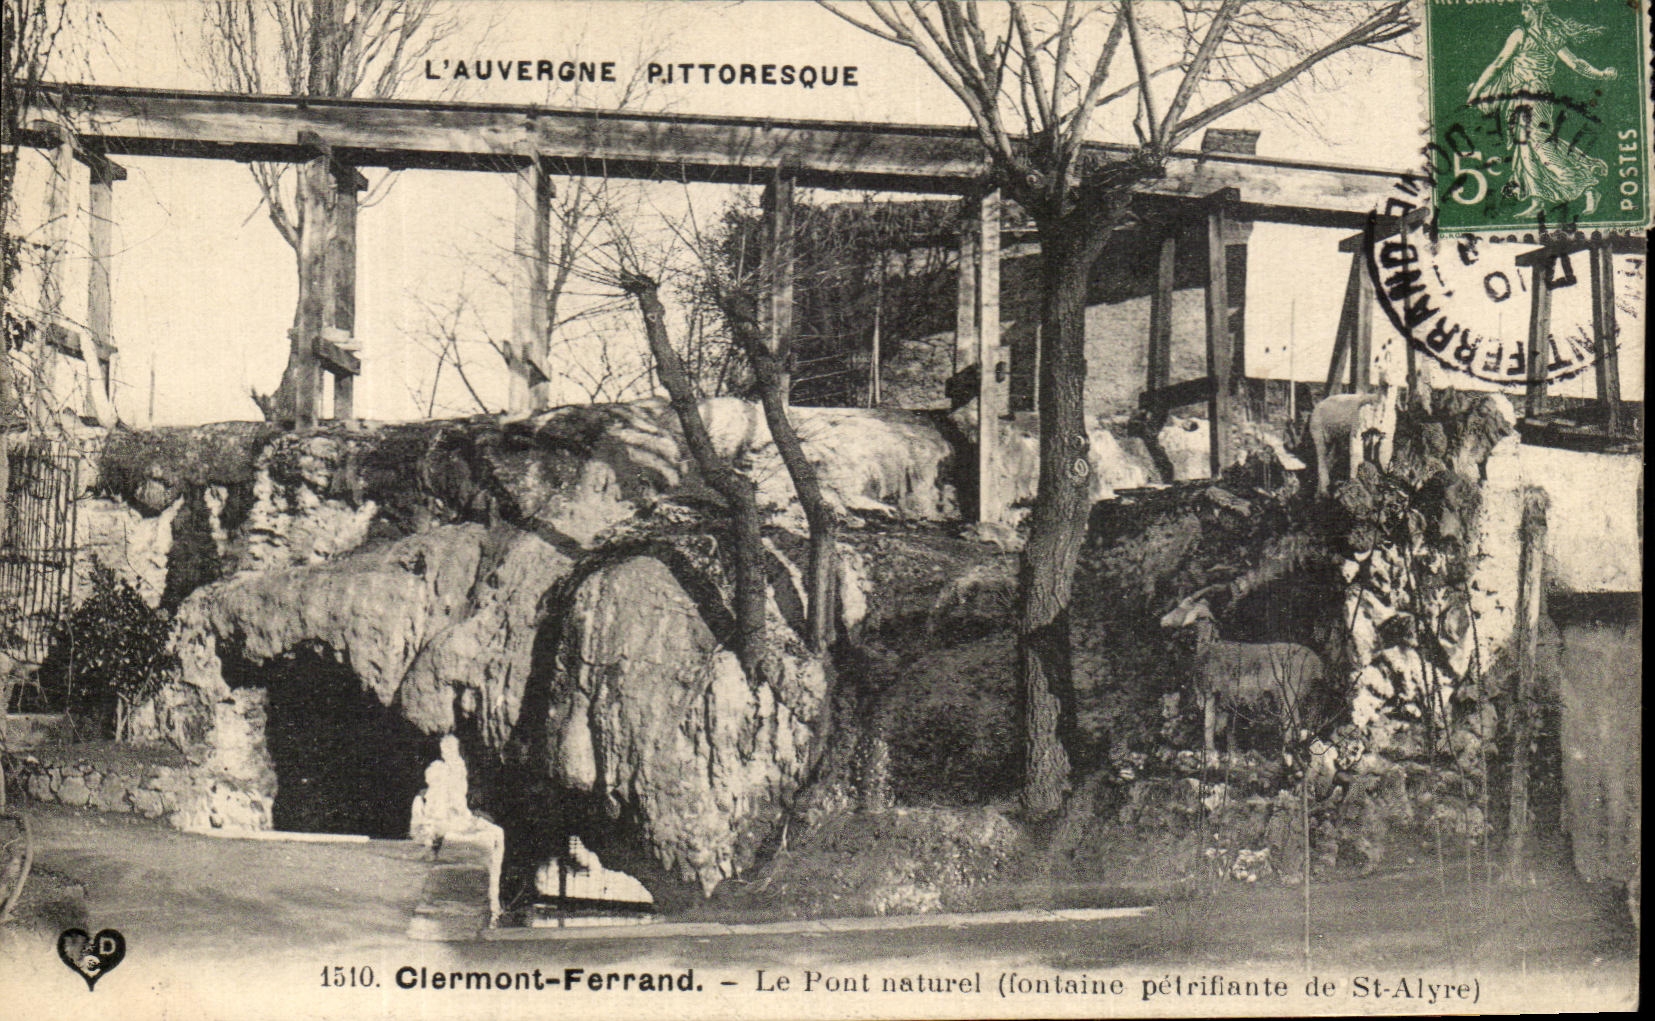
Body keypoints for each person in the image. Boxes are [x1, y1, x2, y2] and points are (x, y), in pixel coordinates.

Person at [1466, 0, 1618, 218]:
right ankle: (1538, 200)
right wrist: (1600, 73)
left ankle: (1586, 186)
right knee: (1524, 148)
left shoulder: (1523, 34)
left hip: (1533, 97)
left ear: (1536, 11)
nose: (1522, 12)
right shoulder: (1546, 36)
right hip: (1523, 97)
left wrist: (1475, 93)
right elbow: (1577, 64)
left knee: (1538, 144)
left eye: (1526, 8)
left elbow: (1498, 64)